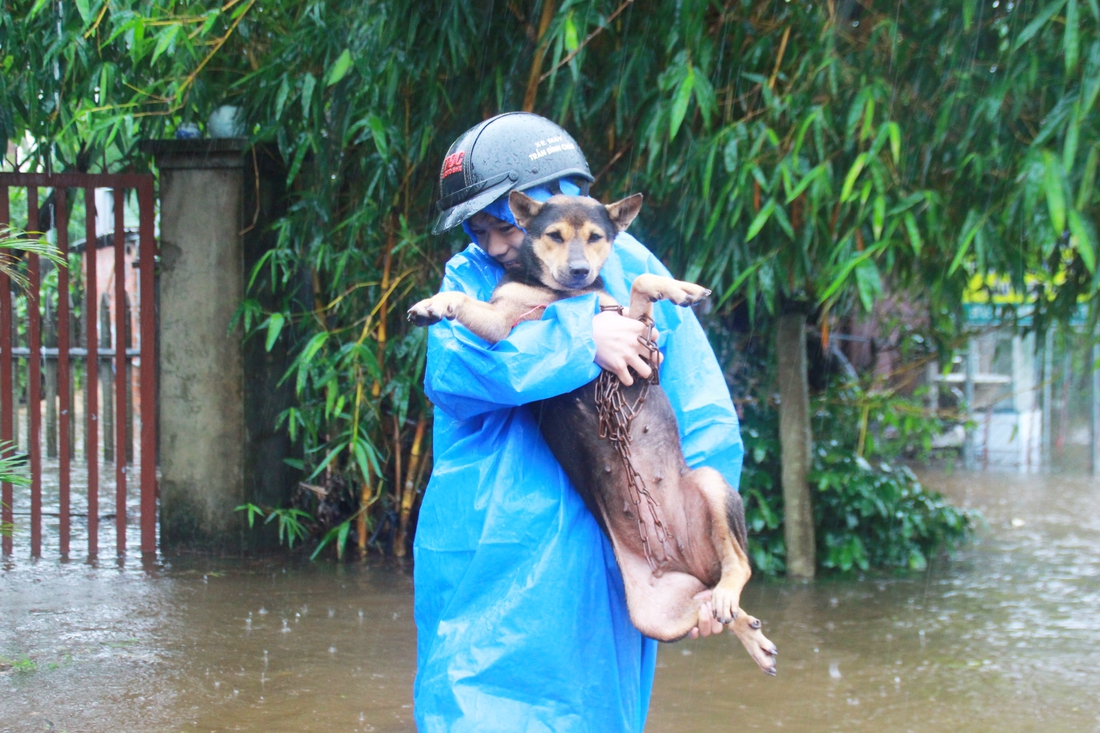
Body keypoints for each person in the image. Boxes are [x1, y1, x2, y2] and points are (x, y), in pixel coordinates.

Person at [413, 112, 744, 733]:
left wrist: (705, 561)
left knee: (592, 713)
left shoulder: (628, 262)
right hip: (490, 548)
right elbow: (459, 376)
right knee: (472, 707)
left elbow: (699, 419)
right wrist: (580, 338)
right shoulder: (470, 278)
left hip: (608, 550)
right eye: (477, 227)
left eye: (502, 222)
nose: (491, 243)